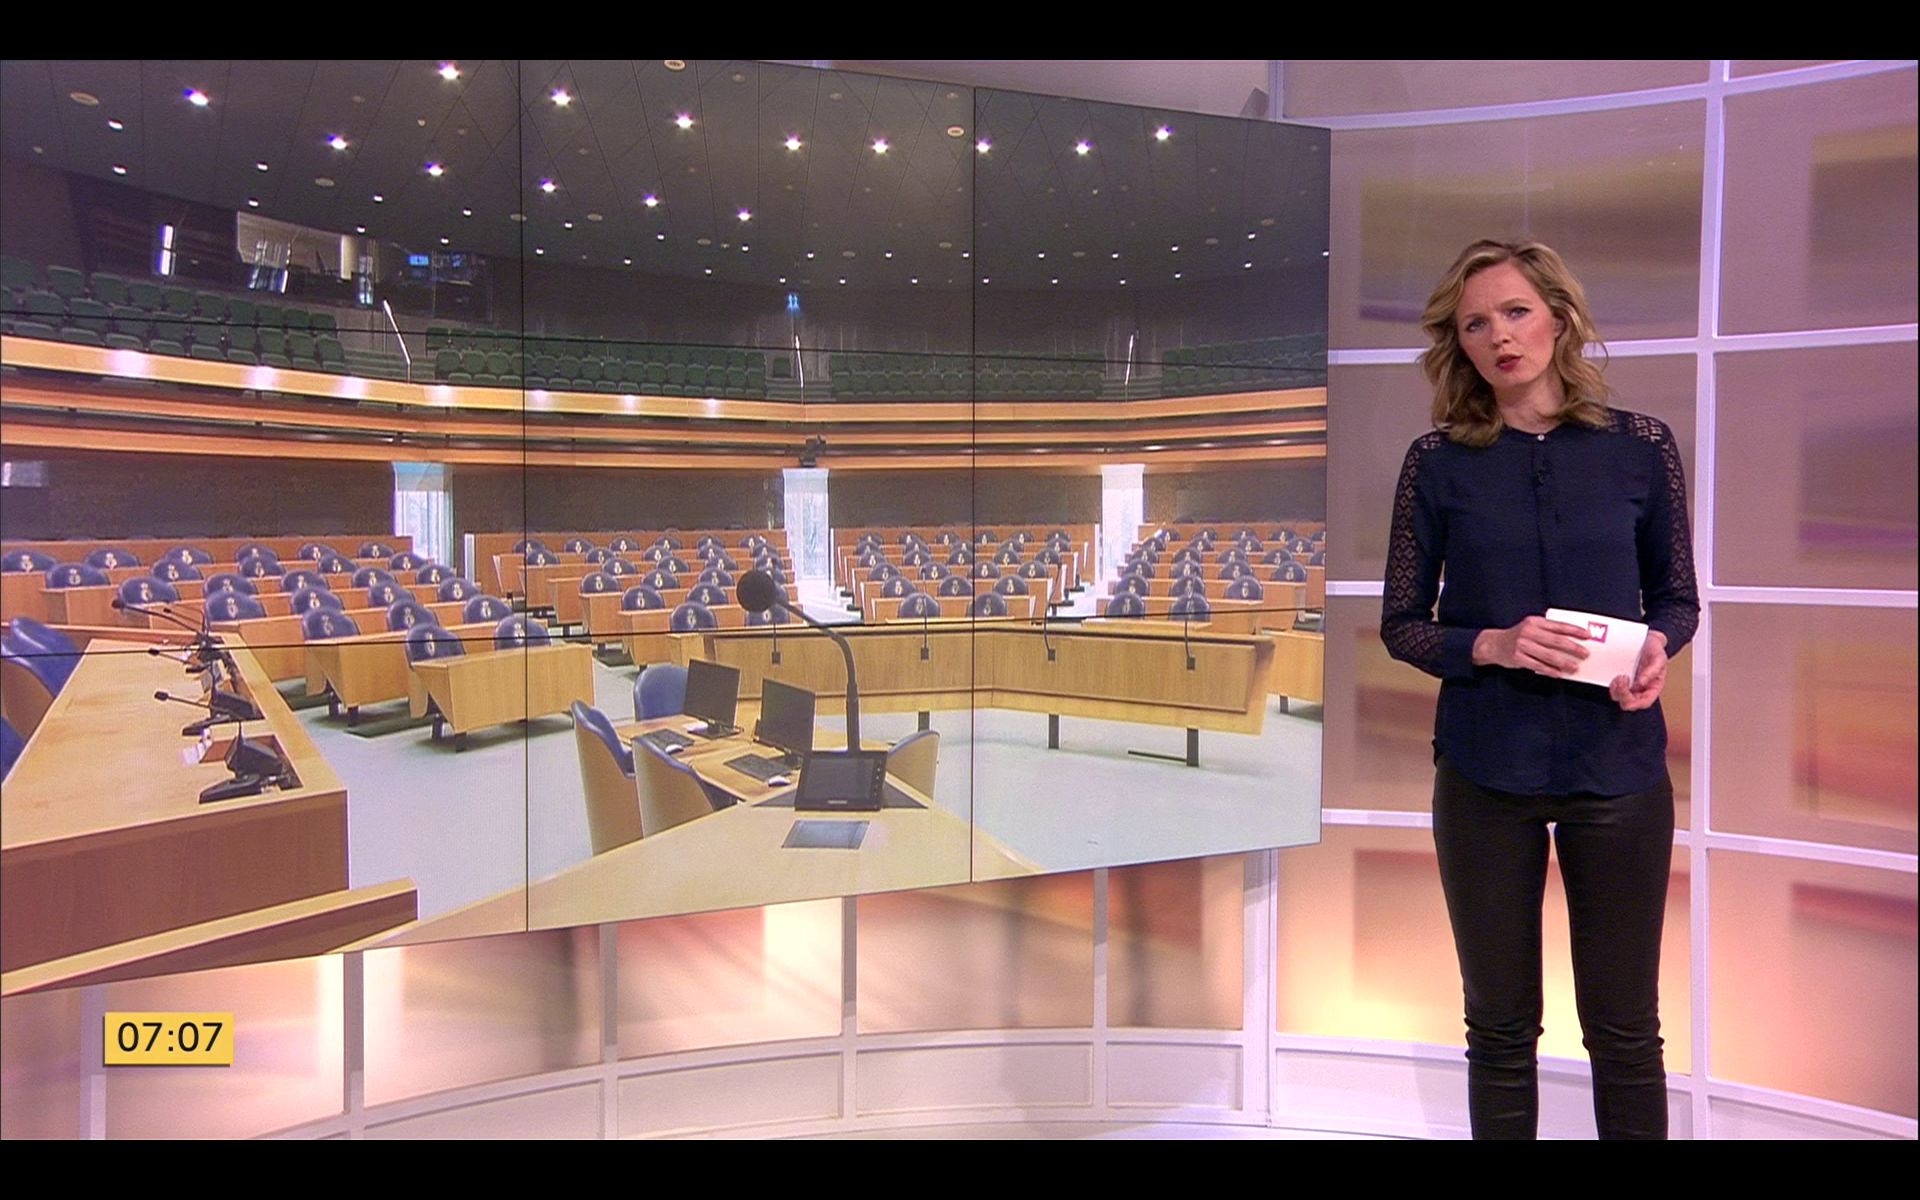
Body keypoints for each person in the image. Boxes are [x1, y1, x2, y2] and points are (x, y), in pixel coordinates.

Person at [1380, 238, 1699, 1139]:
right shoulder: (1437, 461)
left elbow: (1677, 598)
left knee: (1625, 1031)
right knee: (1499, 1030)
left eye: (1515, 312)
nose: (1499, 337)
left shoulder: (1642, 448)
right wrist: (1492, 643)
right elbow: (1402, 622)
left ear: (1559, 319)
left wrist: (1658, 649)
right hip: (1485, 770)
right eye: (1474, 324)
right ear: (1459, 344)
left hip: (1618, 768)